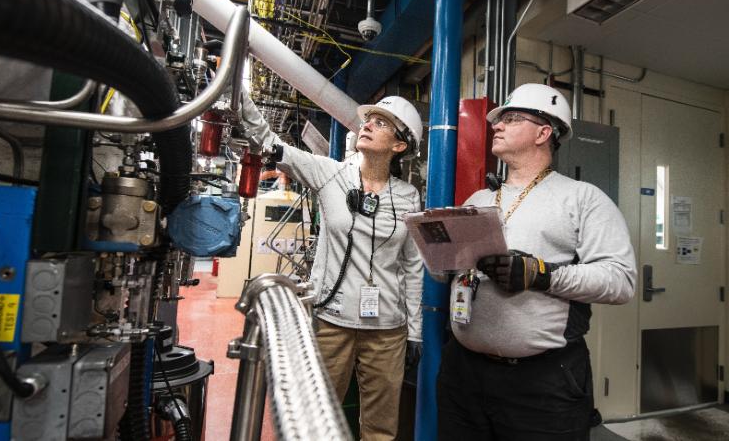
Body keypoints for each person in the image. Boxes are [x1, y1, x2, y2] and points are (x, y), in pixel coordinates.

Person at [436, 83, 637, 440]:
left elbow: (620, 281)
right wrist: (442, 259)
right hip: (462, 373)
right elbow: (447, 271)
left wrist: (540, 274)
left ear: (544, 132)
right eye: (498, 120)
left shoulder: (582, 199)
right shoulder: (480, 198)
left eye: (510, 119)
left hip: (542, 383)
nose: (495, 125)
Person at [240, 91, 425, 440]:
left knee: (381, 428)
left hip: (387, 331)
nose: (368, 124)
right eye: (368, 120)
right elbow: (269, 143)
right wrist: (238, 96)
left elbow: (413, 266)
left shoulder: (408, 196)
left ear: (399, 146)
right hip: (331, 324)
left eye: (381, 123)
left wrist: (414, 331)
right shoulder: (329, 174)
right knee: (315, 419)